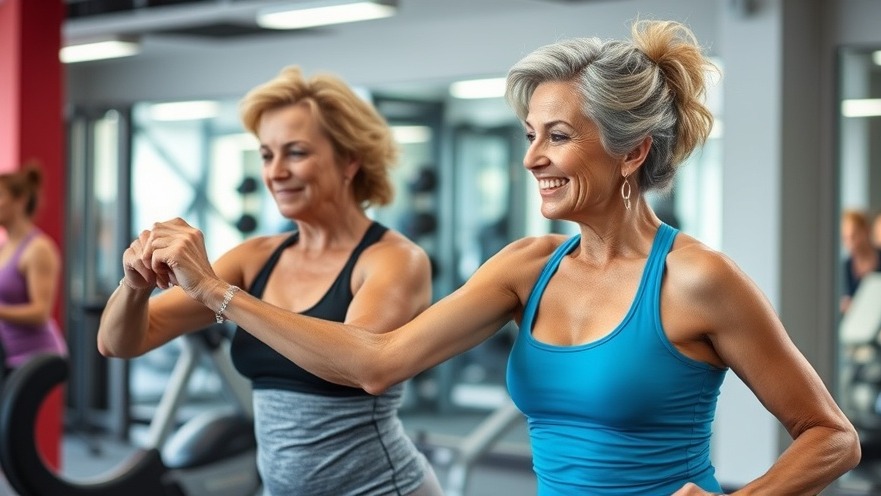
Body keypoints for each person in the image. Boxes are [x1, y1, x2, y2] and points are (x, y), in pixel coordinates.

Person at [122, 20, 860, 495]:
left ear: (631, 151)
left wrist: (220, 294)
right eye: (528, 134)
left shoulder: (696, 279)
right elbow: (380, 360)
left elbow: (830, 437)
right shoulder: (525, 266)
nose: (532, 156)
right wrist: (206, 292)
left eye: (557, 136)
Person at [97, 66, 443, 496]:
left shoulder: (394, 259)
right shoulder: (256, 258)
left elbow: (363, 367)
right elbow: (121, 342)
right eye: (266, 155)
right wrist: (134, 284)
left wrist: (215, 290)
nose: (275, 172)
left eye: (295, 153)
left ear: (349, 160)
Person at [0, 164, 67, 375]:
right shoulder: (4, 247)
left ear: (20, 201)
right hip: (8, 354)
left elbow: (40, 312)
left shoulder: (38, 249)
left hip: (35, 357)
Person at [839, 208, 881, 314]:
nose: (850, 243)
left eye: (853, 236)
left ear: (865, 231)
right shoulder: (845, 268)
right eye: (845, 238)